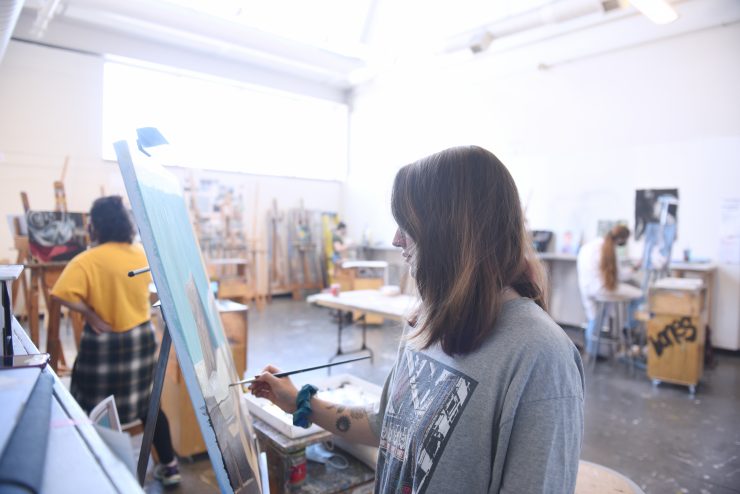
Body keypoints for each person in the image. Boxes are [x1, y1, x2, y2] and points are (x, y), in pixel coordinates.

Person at [251, 146, 584, 493]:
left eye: (408, 223)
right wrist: (301, 402)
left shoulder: (541, 357)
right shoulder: (429, 322)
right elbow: (387, 427)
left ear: (452, 231)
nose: (396, 238)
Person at [51, 196, 181, 487]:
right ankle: (170, 467)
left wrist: (90, 315)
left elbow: (58, 294)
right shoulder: (140, 254)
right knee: (149, 405)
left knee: (89, 405)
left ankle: (98, 471)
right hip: (141, 340)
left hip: (103, 343)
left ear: (94, 225)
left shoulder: (87, 259)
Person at [577, 225, 643, 357]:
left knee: (594, 318)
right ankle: (628, 328)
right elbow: (620, 276)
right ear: (622, 239)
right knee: (640, 295)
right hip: (602, 290)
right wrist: (635, 268)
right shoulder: (609, 250)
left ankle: (592, 352)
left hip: (586, 289)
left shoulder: (589, 246)